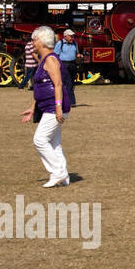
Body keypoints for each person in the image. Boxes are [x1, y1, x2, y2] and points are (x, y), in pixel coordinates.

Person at [20, 26, 70, 188]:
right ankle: (63, 176)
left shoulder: (51, 60)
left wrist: (58, 107)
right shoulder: (44, 60)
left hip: (53, 107)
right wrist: (33, 107)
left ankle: (58, 173)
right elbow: (40, 86)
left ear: (42, 41)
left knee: (40, 140)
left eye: (34, 39)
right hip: (46, 106)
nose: (32, 42)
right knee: (54, 143)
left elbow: (58, 84)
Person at [53, 29, 79, 107]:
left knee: (71, 82)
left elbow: (76, 53)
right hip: (64, 64)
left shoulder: (75, 43)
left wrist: (79, 56)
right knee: (68, 83)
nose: (72, 38)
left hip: (72, 64)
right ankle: (71, 101)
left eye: (73, 36)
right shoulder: (59, 43)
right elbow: (55, 55)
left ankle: (64, 101)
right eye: (71, 36)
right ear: (65, 36)